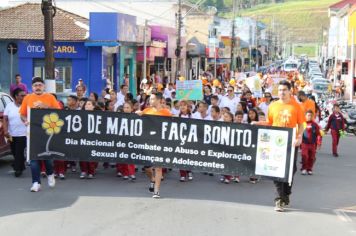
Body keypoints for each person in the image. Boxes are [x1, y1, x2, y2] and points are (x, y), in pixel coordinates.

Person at [254, 80, 305, 212]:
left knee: (290, 170)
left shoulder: (297, 106)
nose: (282, 92)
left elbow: (302, 124)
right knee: (276, 169)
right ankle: (279, 199)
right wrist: (258, 124)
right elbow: (270, 122)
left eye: (284, 90)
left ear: (290, 91)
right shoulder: (273, 105)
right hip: (275, 142)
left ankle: (286, 193)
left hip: (291, 142)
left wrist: (299, 137)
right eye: (280, 90)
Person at [19, 77, 61, 192]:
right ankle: (36, 182)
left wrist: (45, 106)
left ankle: (50, 173)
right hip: (32, 133)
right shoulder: (27, 98)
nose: (38, 87)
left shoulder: (50, 97)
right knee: (34, 159)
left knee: (47, 158)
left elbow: (59, 112)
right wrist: (25, 120)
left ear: (44, 86)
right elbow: (22, 114)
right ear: (32, 87)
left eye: (40, 85)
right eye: (35, 85)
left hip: (48, 133)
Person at [137, 92, 172, 198]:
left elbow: (173, 126)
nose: (150, 101)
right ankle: (152, 179)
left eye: (152, 99)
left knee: (158, 167)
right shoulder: (147, 111)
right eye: (150, 99)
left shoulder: (166, 113)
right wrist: (137, 114)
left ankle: (156, 190)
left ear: (159, 100)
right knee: (147, 168)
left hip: (160, 143)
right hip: (148, 143)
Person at [3, 88, 27, 177]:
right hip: (11, 134)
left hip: (23, 134)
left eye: (25, 95)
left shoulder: (27, 106)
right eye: (22, 95)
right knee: (14, 151)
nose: (24, 97)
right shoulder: (9, 106)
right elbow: (5, 119)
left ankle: (17, 169)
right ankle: (20, 164)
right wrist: (5, 131)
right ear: (16, 96)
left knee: (19, 151)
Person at [116, 101, 136, 180]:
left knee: (131, 157)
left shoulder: (135, 117)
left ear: (131, 109)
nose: (126, 109)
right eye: (125, 107)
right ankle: (125, 173)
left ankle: (132, 173)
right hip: (122, 140)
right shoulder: (120, 117)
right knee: (123, 157)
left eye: (128, 107)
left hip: (132, 140)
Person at [301, 110, 322, 175]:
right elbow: (298, 133)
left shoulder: (315, 125)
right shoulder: (302, 124)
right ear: (305, 116)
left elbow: (319, 134)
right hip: (304, 143)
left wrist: (319, 143)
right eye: (308, 115)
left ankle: (309, 169)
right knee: (305, 156)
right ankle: (304, 168)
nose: (309, 117)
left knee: (312, 157)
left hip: (312, 144)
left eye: (311, 115)